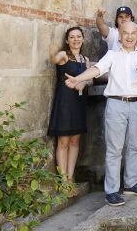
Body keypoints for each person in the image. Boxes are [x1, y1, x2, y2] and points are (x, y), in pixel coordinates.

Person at [65, 21, 137, 206]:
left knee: (134, 147)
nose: (129, 37)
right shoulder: (111, 55)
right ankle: (112, 191)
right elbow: (97, 69)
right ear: (119, 35)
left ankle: (131, 183)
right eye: (125, 33)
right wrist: (78, 79)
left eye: (133, 33)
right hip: (116, 104)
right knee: (114, 149)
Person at [48, 27, 91, 186]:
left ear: (83, 39)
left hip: (79, 103)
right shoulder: (65, 56)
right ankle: (63, 180)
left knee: (75, 141)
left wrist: (83, 83)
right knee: (63, 141)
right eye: (72, 37)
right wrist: (56, 54)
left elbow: (91, 79)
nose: (76, 39)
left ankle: (71, 177)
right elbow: (54, 59)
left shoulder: (85, 59)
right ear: (67, 40)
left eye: (79, 36)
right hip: (65, 102)